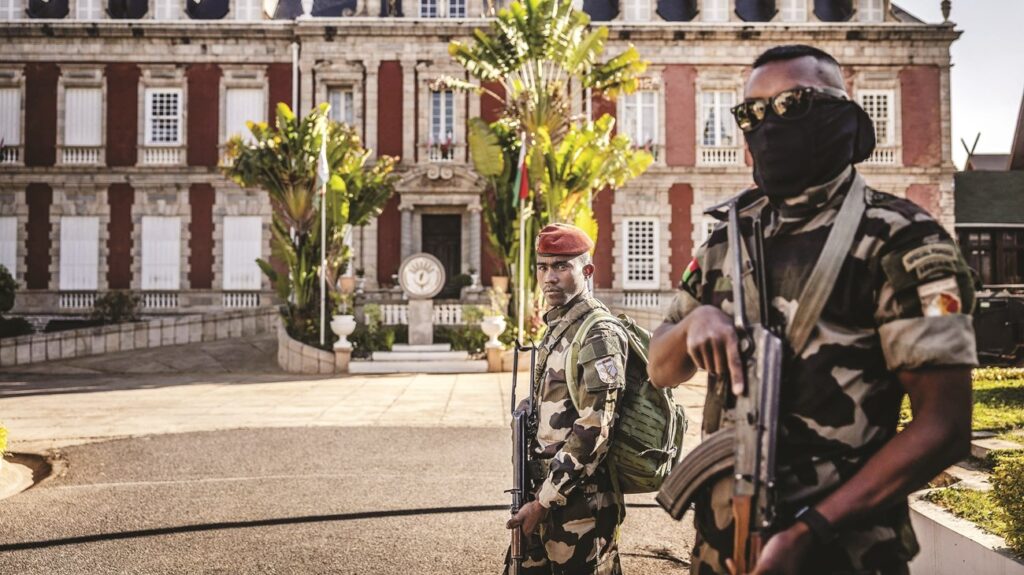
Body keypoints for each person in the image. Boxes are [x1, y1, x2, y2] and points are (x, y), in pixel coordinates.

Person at [648, 45, 977, 575]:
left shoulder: (902, 242)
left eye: (792, 104)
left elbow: (944, 426)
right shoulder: (727, 240)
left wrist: (811, 531)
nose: (769, 124)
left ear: (840, 115)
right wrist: (692, 324)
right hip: (723, 550)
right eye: (751, 113)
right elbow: (660, 368)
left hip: (842, 554)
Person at [506, 222, 629, 575]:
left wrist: (543, 503)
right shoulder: (559, 327)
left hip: (581, 507)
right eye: (543, 266)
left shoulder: (598, 334)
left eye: (561, 266)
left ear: (586, 271)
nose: (549, 277)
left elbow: (595, 429)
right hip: (542, 495)